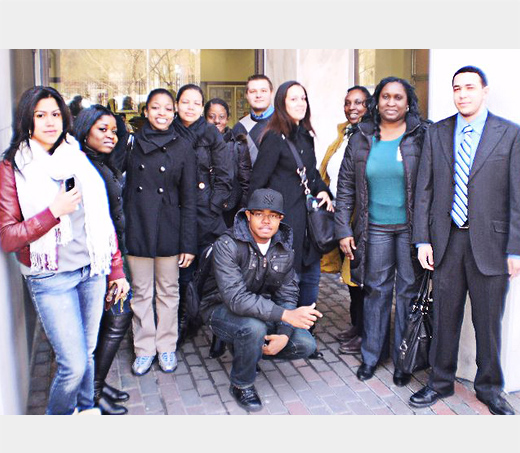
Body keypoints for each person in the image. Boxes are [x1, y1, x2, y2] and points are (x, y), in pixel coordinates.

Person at [0, 86, 128, 415]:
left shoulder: (76, 156)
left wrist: (116, 271)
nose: (49, 122)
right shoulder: (14, 167)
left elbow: (101, 223)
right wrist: (52, 212)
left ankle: (87, 412)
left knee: (85, 353)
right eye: (40, 115)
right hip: (50, 277)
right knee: (72, 365)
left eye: (55, 114)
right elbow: (9, 237)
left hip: (92, 271)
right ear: (26, 121)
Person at [409, 66, 520, 415]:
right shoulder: (437, 132)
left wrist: (516, 248)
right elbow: (423, 189)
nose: (462, 94)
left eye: (469, 87)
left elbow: (518, 196)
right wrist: (421, 240)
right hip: (447, 240)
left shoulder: (510, 134)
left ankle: (489, 387)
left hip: (493, 245)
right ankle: (440, 382)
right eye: (456, 88)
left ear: (484, 90)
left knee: (488, 321)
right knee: (445, 317)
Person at [335, 76, 429, 385]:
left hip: (410, 230)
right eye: (385, 96)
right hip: (373, 227)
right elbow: (346, 186)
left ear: (408, 102)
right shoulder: (361, 135)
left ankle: (403, 360)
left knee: (406, 292)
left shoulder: (421, 134)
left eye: (398, 97)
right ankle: (371, 356)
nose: (391, 102)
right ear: (377, 101)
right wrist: (342, 230)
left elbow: (431, 184)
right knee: (375, 291)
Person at [199, 188, 322, 412]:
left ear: (280, 219)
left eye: (273, 215)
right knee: (253, 329)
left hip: (260, 307)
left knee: (305, 344)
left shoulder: (283, 246)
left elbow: (287, 293)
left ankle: (248, 349)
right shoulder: (227, 244)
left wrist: (284, 334)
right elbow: (235, 298)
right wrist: (285, 315)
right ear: (248, 216)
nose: (266, 221)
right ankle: (241, 384)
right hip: (219, 307)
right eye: (259, 214)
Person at [249, 80, 333, 359]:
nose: (300, 104)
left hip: (308, 223)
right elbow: (257, 184)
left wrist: (323, 192)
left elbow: (313, 175)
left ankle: (303, 335)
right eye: (294, 99)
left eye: (303, 99)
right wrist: (261, 224)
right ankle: (281, 335)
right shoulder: (273, 137)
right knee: (288, 280)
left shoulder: (305, 136)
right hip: (285, 226)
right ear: (282, 103)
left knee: (311, 278)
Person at [123, 88, 197, 376]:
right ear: (145, 112)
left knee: (168, 291)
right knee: (141, 292)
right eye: (156, 108)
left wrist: (188, 243)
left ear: (174, 111)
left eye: (167, 108)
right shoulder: (131, 144)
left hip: (170, 228)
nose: (162, 114)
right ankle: (144, 349)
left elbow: (190, 199)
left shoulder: (183, 147)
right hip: (138, 226)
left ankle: (166, 346)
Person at [73, 105, 132, 415]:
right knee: (116, 319)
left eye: (113, 130)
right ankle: (93, 391)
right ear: (85, 132)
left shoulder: (102, 162)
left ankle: (97, 382)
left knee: (111, 321)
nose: (111, 135)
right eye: (102, 130)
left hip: (112, 252)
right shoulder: (83, 167)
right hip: (100, 258)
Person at [319, 85, 371, 355]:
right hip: (339, 213)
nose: (352, 107)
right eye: (348, 102)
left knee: (360, 276)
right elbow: (327, 170)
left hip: (358, 216)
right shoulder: (344, 135)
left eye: (359, 103)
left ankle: (366, 332)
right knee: (350, 277)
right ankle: (356, 326)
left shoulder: (369, 136)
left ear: (369, 106)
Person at [204, 97, 252, 227]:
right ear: (204, 118)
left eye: (221, 117)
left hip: (230, 209)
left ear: (227, 119)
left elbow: (245, 183)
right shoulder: (198, 143)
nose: (217, 121)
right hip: (203, 207)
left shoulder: (238, 144)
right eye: (211, 116)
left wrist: (240, 214)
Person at [232, 75, 275, 166]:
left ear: (271, 93)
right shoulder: (239, 127)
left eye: (263, 91)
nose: (258, 95)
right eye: (253, 91)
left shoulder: (285, 122)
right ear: (246, 95)